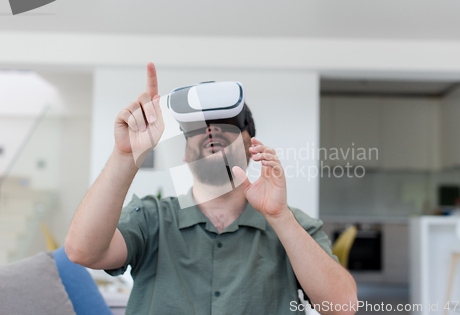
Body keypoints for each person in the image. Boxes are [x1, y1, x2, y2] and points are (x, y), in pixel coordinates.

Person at [65, 63, 358, 315]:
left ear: (251, 145)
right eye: (197, 126)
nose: (211, 130)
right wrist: (126, 156)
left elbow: (343, 306)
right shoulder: (151, 219)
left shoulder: (292, 226)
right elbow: (82, 251)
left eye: (227, 124)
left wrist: (280, 217)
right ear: (184, 153)